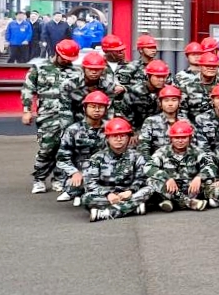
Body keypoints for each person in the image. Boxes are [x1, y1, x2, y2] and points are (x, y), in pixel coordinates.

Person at [22, 39, 77, 194]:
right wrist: (27, 110)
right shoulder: (39, 68)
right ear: (57, 53)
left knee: (64, 149)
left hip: (68, 118)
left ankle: (58, 179)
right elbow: (27, 89)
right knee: (47, 149)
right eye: (64, 58)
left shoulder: (75, 72)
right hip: (47, 117)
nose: (67, 61)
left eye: (70, 59)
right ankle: (39, 178)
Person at [82, 117, 153, 222]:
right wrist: (107, 194)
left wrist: (130, 191)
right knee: (86, 198)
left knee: (150, 189)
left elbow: (141, 178)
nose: (118, 139)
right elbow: (90, 182)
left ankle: (107, 213)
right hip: (106, 195)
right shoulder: (97, 158)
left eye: (122, 135)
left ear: (128, 138)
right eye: (114, 136)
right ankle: (133, 208)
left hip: (129, 193)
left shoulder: (137, 156)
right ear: (107, 138)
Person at [145, 120, 215, 212]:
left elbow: (211, 165)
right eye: (177, 138)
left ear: (190, 138)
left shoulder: (197, 151)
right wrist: (167, 178)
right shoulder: (162, 152)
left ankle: (172, 203)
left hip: (191, 189)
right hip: (170, 190)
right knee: (151, 181)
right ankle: (189, 203)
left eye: (184, 137)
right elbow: (148, 167)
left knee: (209, 181)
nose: (180, 141)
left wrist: (199, 177)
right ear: (171, 138)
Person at [56, 90, 110, 204]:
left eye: (101, 107)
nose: (97, 110)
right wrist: (74, 172)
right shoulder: (73, 130)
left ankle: (86, 194)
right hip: (80, 172)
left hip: (105, 170)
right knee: (74, 185)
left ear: (106, 110)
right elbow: (62, 158)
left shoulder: (110, 128)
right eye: (93, 106)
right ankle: (81, 192)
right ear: (85, 108)